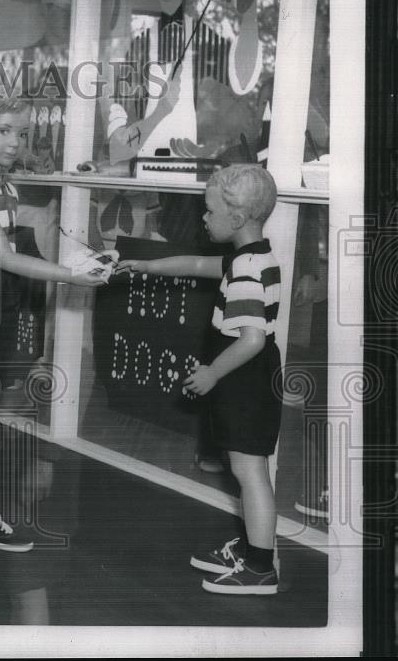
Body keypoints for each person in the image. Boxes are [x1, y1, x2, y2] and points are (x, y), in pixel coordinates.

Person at [0, 97, 106, 552]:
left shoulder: (1, 188)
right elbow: (5, 257)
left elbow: (17, 238)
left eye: (21, 132)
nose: (14, 142)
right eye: (4, 130)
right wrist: (71, 275)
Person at [116, 164, 283, 594]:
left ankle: (261, 566)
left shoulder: (245, 270)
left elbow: (250, 341)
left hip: (244, 375)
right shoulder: (252, 255)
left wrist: (211, 372)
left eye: (209, 212)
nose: (203, 219)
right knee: (244, 467)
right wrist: (146, 267)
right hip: (245, 376)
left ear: (239, 217)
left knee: (250, 471)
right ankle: (253, 548)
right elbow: (193, 262)